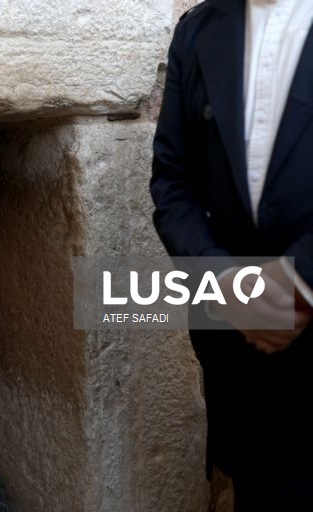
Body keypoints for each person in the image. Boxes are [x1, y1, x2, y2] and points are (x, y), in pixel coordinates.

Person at [151, 1, 313, 510]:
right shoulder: (197, 32)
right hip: (236, 343)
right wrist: (226, 283)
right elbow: (172, 183)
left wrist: (299, 285)